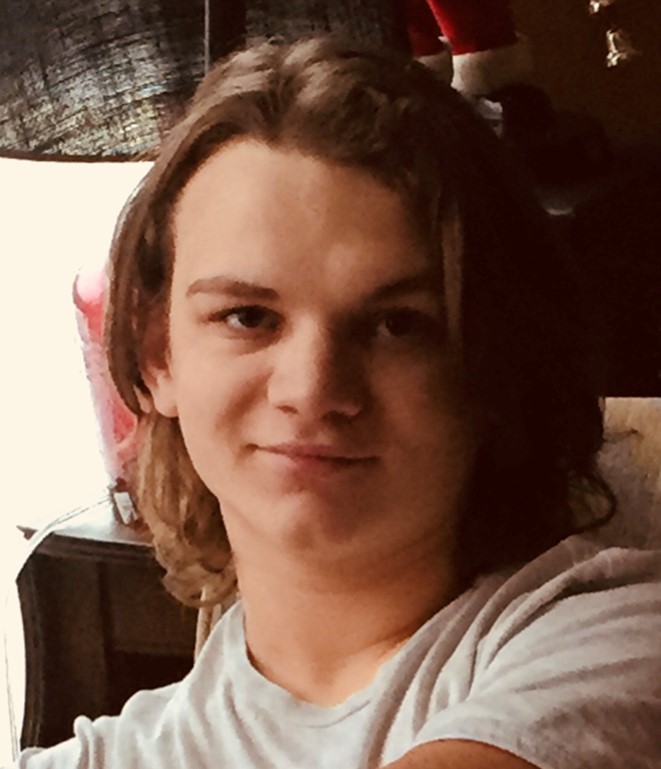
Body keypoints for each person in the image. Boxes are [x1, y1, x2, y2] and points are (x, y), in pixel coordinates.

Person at [14, 35, 661, 769]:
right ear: (156, 354)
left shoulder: (616, 647)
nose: (313, 389)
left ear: (497, 362)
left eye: (397, 325)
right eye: (247, 316)